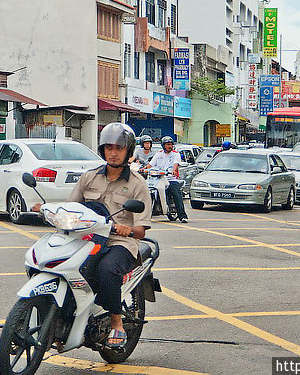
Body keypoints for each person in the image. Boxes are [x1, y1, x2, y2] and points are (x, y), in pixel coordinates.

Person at [32, 123, 151, 349]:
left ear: (128, 151)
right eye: (108, 148)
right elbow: (71, 207)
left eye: (119, 148)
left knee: (106, 270)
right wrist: (46, 209)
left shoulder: (137, 185)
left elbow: (141, 230)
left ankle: (117, 322)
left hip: (120, 242)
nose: (113, 153)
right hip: (85, 238)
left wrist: (127, 229)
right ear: (102, 149)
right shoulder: (88, 177)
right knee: (55, 264)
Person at [148, 136, 189, 222]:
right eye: (167, 144)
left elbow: (176, 164)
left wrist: (174, 170)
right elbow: (151, 164)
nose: (169, 146)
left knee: (177, 196)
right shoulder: (158, 154)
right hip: (159, 179)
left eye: (170, 144)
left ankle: (182, 216)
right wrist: (142, 168)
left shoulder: (175, 154)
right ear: (163, 145)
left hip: (171, 179)